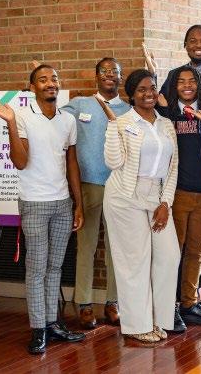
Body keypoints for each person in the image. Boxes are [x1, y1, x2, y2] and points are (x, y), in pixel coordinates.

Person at [0, 65, 86, 354]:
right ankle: (38, 330)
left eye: (54, 78)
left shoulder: (68, 120)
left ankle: (52, 323)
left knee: (55, 267)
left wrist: (78, 204)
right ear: (33, 88)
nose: (50, 83)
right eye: (42, 80)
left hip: (62, 204)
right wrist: (10, 124)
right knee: (36, 269)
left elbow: (72, 163)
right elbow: (20, 162)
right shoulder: (21, 116)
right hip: (33, 203)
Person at [98, 69, 180, 343]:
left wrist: (166, 202)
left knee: (169, 256)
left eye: (152, 88)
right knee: (134, 262)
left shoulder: (166, 124)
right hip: (124, 197)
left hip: (157, 195)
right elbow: (113, 162)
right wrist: (112, 126)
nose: (149, 93)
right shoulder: (121, 123)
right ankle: (137, 325)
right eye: (142, 89)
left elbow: (173, 168)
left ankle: (158, 319)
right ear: (132, 95)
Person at [159, 25, 201, 315]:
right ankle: (174, 302)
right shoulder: (173, 85)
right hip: (179, 187)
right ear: (185, 45)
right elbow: (158, 105)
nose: (198, 44)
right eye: (192, 40)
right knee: (178, 247)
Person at [61, 58, 130, 329]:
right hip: (88, 186)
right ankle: (84, 303)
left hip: (119, 187)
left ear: (121, 78)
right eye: (105, 71)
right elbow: (52, 115)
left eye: (115, 72)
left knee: (117, 249)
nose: (110, 75)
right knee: (86, 247)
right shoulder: (80, 104)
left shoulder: (128, 110)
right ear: (96, 76)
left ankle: (113, 302)